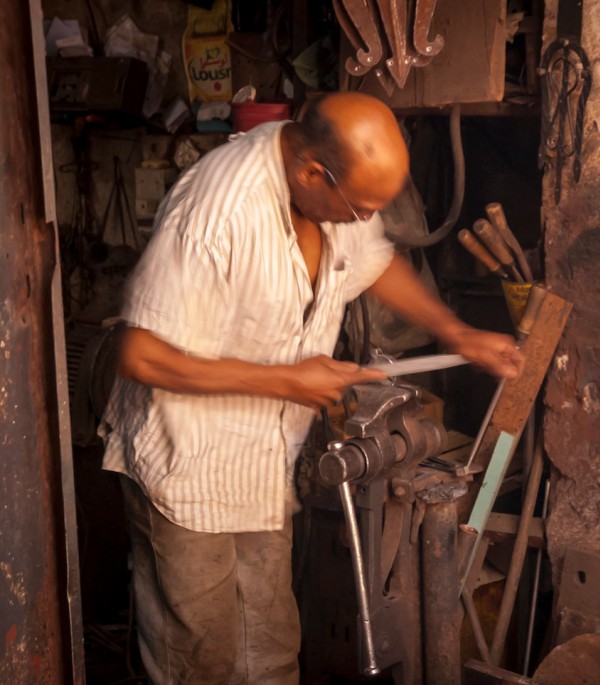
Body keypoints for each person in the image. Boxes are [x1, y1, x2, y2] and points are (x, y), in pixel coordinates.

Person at [99, 92, 524, 684]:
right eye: (359, 206)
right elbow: (137, 354)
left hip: (259, 468)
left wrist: (457, 332)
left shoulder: (333, 192)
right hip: (185, 468)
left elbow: (374, 261)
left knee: (270, 655)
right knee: (199, 661)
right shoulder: (219, 210)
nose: (361, 219)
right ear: (311, 172)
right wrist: (286, 381)